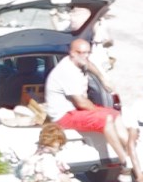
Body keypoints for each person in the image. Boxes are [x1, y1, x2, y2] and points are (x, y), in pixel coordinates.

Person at [44, 36, 132, 168]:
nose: (86, 56)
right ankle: (124, 160)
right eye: (82, 53)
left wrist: (102, 78)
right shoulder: (67, 71)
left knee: (115, 115)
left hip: (75, 111)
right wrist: (99, 112)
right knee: (107, 118)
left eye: (88, 53)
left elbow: (89, 64)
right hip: (63, 115)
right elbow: (81, 103)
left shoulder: (79, 61)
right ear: (73, 53)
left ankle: (133, 151)